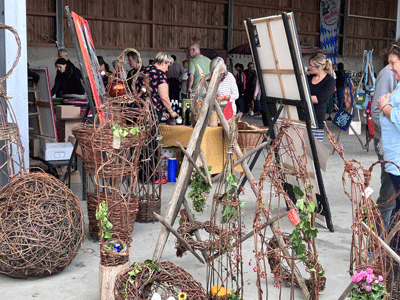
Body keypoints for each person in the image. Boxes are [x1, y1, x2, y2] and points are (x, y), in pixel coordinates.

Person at [372, 64, 397, 232]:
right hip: (391, 149)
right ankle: (378, 244)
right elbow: (376, 111)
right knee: (389, 199)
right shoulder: (388, 74)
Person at [377, 40, 400, 221]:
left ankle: (391, 247)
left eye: (393, 63)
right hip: (393, 160)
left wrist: (385, 108)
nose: (390, 68)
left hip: (398, 162)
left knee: (393, 207)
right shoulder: (396, 83)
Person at [141, 52, 177, 121]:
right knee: (152, 131)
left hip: (139, 109)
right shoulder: (160, 75)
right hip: (151, 113)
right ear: (163, 62)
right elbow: (164, 97)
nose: (167, 69)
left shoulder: (144, 70)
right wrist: (171, 111)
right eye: (168, 66)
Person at [307, 53, 335, 141]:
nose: (309, 67)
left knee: (315, 149)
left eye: (312, 66)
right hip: (303, 117)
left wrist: (302, 96)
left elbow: (318, 99)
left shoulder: (329, 81)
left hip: (317, 119)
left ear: (319, 67)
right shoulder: (308, 77)